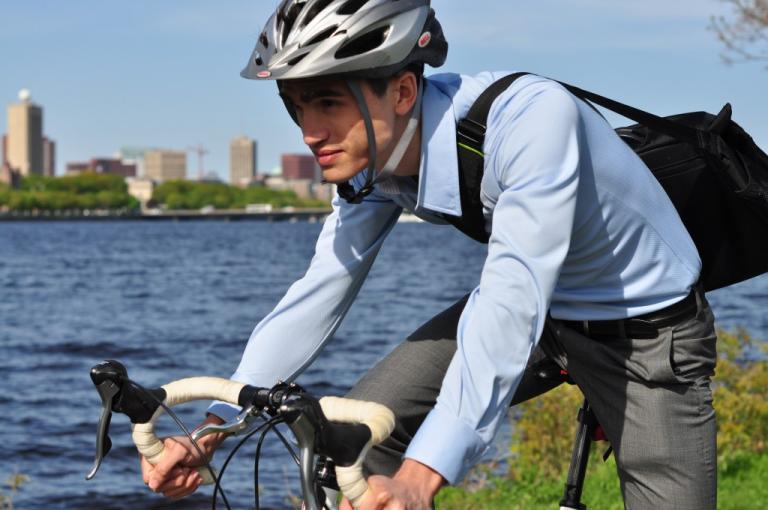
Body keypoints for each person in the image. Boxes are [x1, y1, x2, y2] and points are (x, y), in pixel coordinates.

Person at [142, 1, 718, 508]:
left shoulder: (530, 120)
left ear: (402, 92)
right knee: (352, 440)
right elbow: (321, 288)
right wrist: (213, 428)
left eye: (327, 103)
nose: (309, 132)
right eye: (296, 107)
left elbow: (511, 300)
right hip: (548, 318)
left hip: (646, 335)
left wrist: (422, 475)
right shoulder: (373, 161)